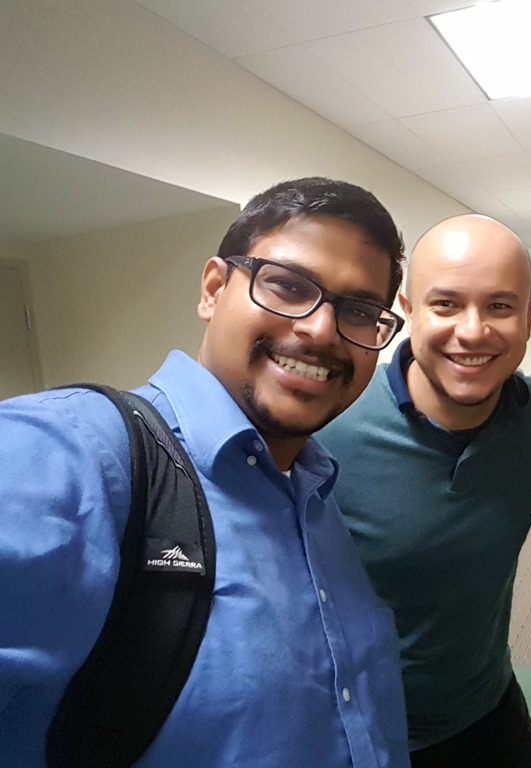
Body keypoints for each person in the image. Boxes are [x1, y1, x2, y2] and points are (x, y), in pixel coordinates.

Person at [0, 177, 413, 767]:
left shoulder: (312, 490)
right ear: (215, 289)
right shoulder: (67, 454)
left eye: (360, 311)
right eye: (288, 285)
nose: (321, 330)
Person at [317, 213, 531, 768]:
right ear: (408, 310)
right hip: (362, 735)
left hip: (488, 708)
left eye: (500, 305)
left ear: (530, 317)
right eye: (445, 304)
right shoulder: (328, 427)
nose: (473, 330)